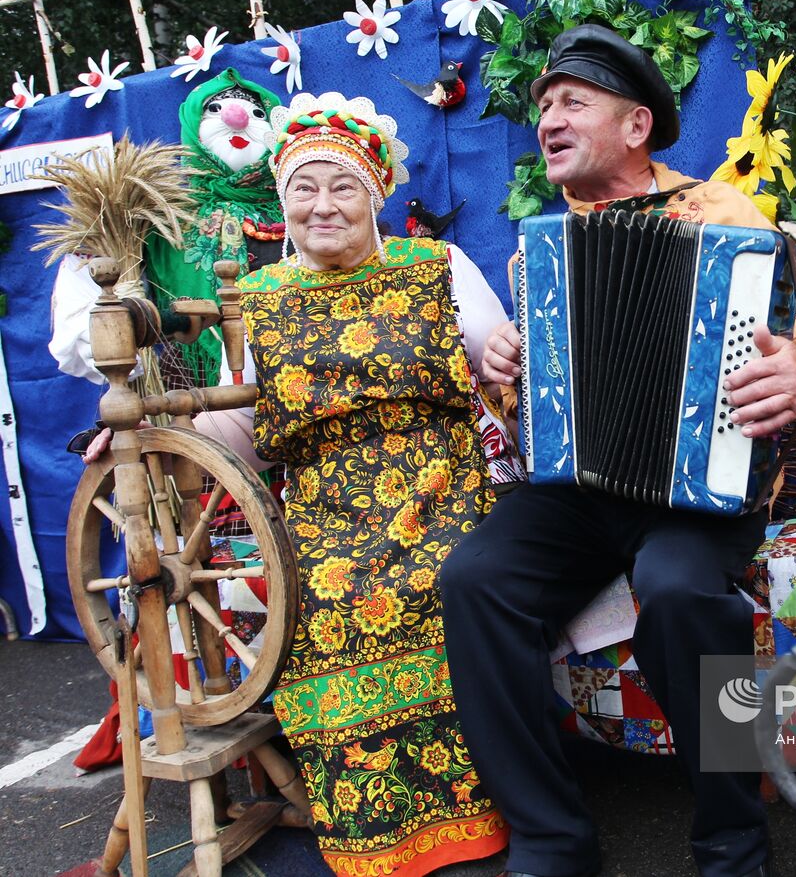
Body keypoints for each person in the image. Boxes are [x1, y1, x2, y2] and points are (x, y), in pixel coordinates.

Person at [439, 25, 796, 877]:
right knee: (475, 579)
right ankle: (553, 838)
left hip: (703, 488)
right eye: (543, 104)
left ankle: (732, 839)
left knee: (680, 586)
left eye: (571, 102)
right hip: (584, 490)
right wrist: (507, 368)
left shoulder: (722, 213)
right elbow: (535, 415)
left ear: (635, 127)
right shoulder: (546, 247)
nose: (548, 116)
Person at [83, 91, 519, 876]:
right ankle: (375, 837)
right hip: (327, 507)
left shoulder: (438, 267)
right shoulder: (259, 299)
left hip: (443, 482)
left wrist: (503, 362)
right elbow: (237, 430)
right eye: (303, 190)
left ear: (375, 195)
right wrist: (138, 433)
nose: (323, 206)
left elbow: (502, 367)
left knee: (448, 578)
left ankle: (484, 814)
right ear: (282, 202)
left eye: (342, 186)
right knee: (326, 599)